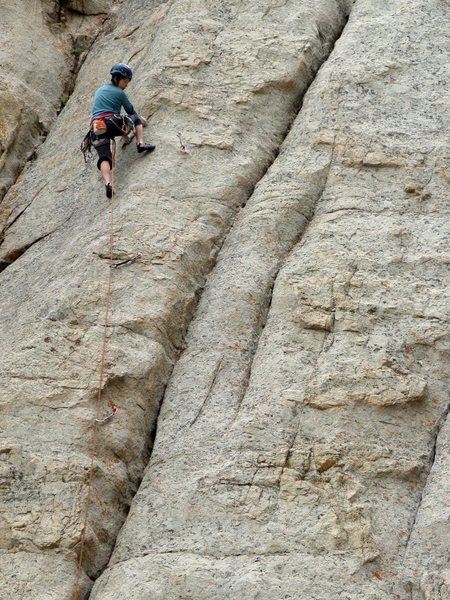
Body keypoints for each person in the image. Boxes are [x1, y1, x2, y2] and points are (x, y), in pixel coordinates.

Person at [91, 63, 155, 198]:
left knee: (105, 158)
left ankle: (108, 183)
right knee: (134, 118)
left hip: (97, 127)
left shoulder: (99, 90)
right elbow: (131, 111)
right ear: (117, 78)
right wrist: (141, 120)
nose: (127, 84)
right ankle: (140, 144)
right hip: (112, 122)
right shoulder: (119, 93)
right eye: (125, 80)